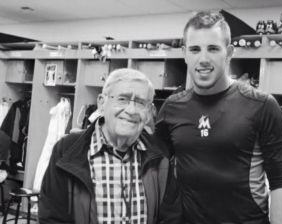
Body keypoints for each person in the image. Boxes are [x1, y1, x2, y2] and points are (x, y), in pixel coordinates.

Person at [155, 11, 282, 224]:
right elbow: (153, 166)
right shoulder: (172, 107)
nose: (203, 59)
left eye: (213, 48)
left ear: (229, 52)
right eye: (195, 49)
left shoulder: (262, 105)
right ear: (184, 54)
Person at [39, 68, 180, 224]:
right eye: (122, 99)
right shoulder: (66, 150)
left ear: (149, 112)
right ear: (101, 103)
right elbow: (52, 218)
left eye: (141, 103)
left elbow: (171, 218)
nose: (131, 110)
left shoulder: (160, 155)